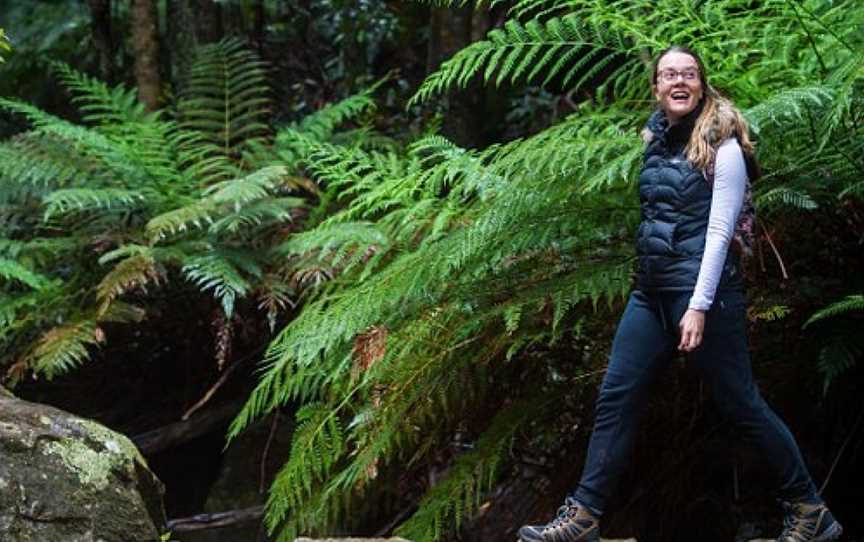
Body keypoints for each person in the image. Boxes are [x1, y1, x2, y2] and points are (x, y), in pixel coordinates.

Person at [517, 46, 843, 542]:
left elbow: (719, 231)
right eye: (669, 74)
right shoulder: (656, 142)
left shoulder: (725, 146)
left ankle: (809, 507)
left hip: (706, 295)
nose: (679, 81)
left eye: (688, 74)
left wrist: (698, 305)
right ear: (656, 87)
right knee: (616, 397)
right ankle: (583, 516)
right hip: (649, 294)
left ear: (702, 83)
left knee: (741, 404)